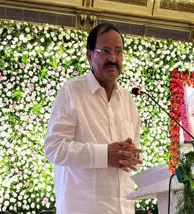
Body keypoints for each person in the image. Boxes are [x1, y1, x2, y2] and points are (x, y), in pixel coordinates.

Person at [44, 23, 142, 214]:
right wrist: (105, 154)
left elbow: (134, 154)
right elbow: (54, 148)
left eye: (118, 52)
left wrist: (132, 155)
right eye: (105, 51)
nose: (113, 58)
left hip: (123, 207)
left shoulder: (127, 100)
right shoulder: (73, 92)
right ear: (90, 56)